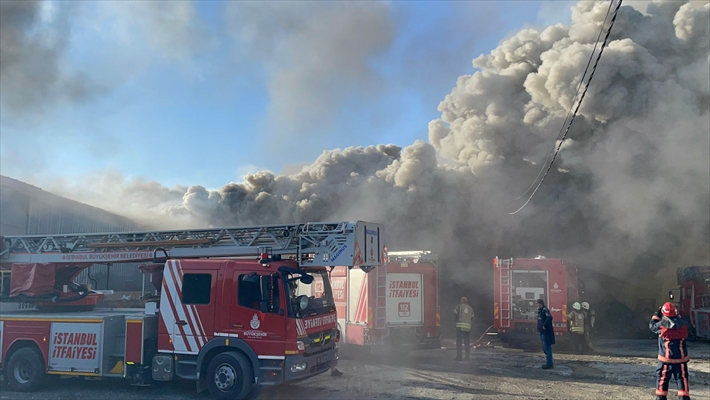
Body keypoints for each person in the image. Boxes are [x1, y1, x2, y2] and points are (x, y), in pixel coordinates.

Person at [650, 302, 691, 400]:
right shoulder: (684, 325)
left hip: (666, 361)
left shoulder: (661, 325)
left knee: (662, 380)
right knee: (682, 380)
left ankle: (661, 398)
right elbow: (682, 323)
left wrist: (657, 314)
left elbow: (652, 325)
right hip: (680, 360)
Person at [453, 296, 474, 361]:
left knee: (459, 342)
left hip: (459, 328)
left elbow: (454, 315)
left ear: (461, 301)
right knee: (467, 343)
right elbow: (472, 317)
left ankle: (459, 356)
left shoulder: (458, 307)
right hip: (467, 329)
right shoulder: (470, 308)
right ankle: (467, 357)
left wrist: (455, 322)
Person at [537, 299, 555, 369]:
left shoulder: (544, 310)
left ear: (541, 304)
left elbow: (550, 317)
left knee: (547, 348)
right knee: (545, 349)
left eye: (537, 303)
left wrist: (544, 325)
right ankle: (549, 363)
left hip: (546, 333)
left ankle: (549, 364)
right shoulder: (541, 311)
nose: (536, 305)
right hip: (542, 332)